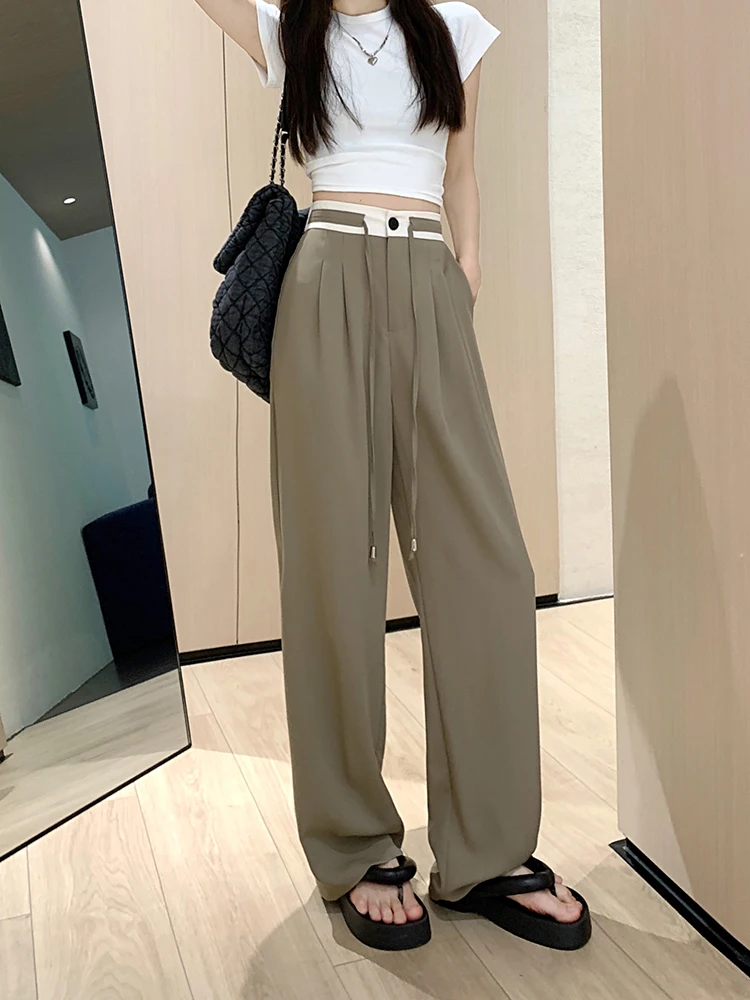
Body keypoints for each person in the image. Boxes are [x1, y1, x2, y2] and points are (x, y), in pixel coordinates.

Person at [194, 0, 591, 952]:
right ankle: (354, 844)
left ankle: (489, 851)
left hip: (428, 277)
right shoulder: (291, 25)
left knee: (488, 567)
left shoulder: (454, 28)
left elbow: (462, 165)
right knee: (333, 567)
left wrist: (468, 270)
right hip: (323, 278)